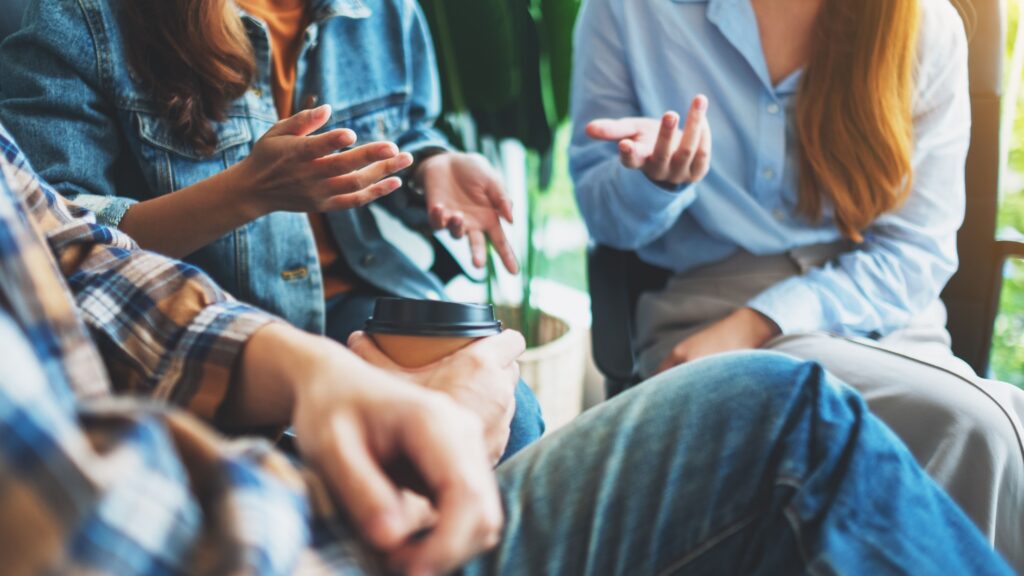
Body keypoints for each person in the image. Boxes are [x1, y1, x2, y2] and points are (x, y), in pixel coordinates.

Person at [0, 119, 1013, 575]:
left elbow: (71, 256)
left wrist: (432, 167)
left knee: (511, 406)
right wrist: (247, 197)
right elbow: (96, 535)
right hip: (250, 511)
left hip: (318, 338)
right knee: (774, 417)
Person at [569, 0, 1024, 569]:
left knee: (975, 426)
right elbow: (604, 221)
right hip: (702, 313)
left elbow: (915, 253)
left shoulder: (923, 23)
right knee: (974, 426)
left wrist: (756, 324)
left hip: (878, 318)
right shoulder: (627, 11)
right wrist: (657, 183)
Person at [0, 0, 543, 458]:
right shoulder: (78, 17)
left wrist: (429, 166)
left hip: (353, 306)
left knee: (510, 417)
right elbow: (54, 241)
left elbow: (409, 126)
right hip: (198, 324)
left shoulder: (385, 9)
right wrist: (246, 192)